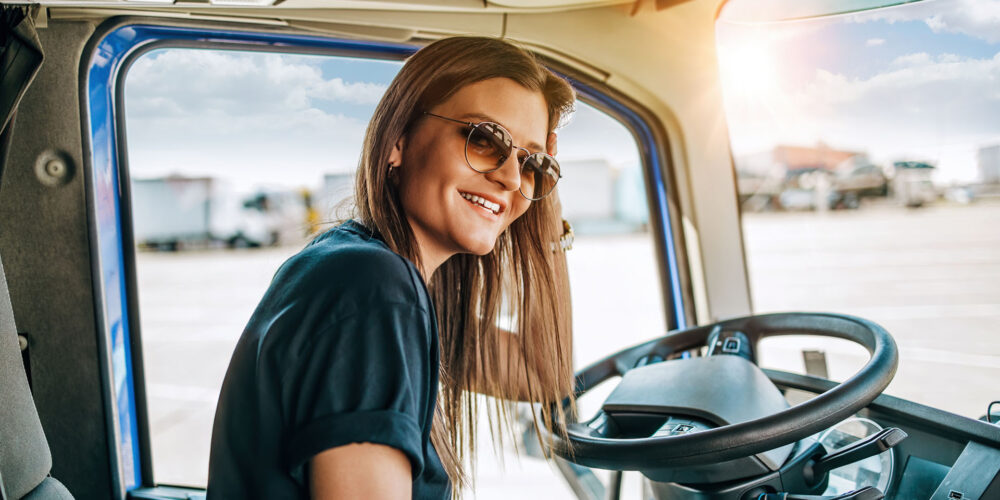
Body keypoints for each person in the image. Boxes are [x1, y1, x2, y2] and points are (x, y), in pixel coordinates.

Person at [207, 36, 576, 500]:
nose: (508, 176)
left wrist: (545, 197)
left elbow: (543, 374)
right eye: (485, 139)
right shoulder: (374, 290)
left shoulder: (373, 275)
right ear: (398, 140)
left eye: (531, 163)